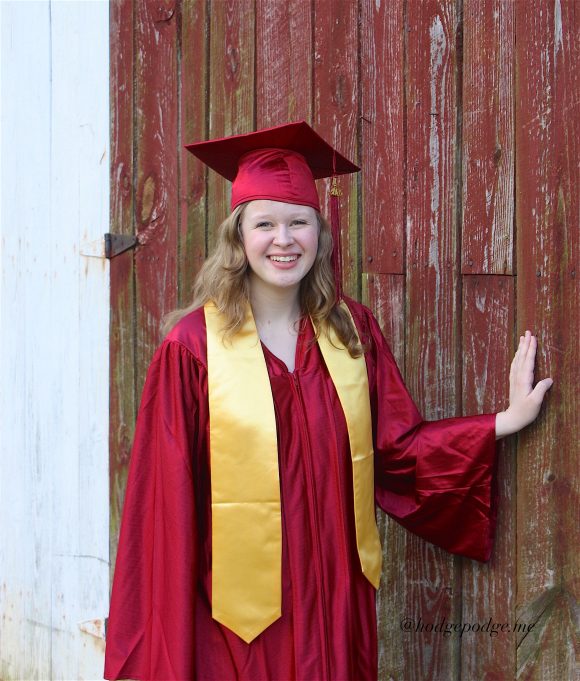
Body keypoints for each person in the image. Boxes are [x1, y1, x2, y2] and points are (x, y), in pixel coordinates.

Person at [104, 121, 553, 681]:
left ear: (320, 232)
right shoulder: (192, 350)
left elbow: (398, 448)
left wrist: (501, 423)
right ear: (238, 237)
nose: (284, 239)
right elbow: (163, 506)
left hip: (336, 605)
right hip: (238, 624)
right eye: (264, 223)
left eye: (299, 222)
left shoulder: (350, 332)